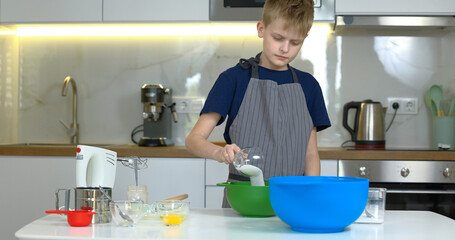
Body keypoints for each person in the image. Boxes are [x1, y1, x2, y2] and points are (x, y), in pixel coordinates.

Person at [185, 0, 331, 207]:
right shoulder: (233, 79)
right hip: (244, 201)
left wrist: (311, 195)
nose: (285, 48)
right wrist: (218, 152)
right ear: (261, 29)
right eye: (278, 38)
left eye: (295, 42)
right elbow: (193, 140)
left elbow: (310, 154)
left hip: (293, 200)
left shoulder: (308, 86)